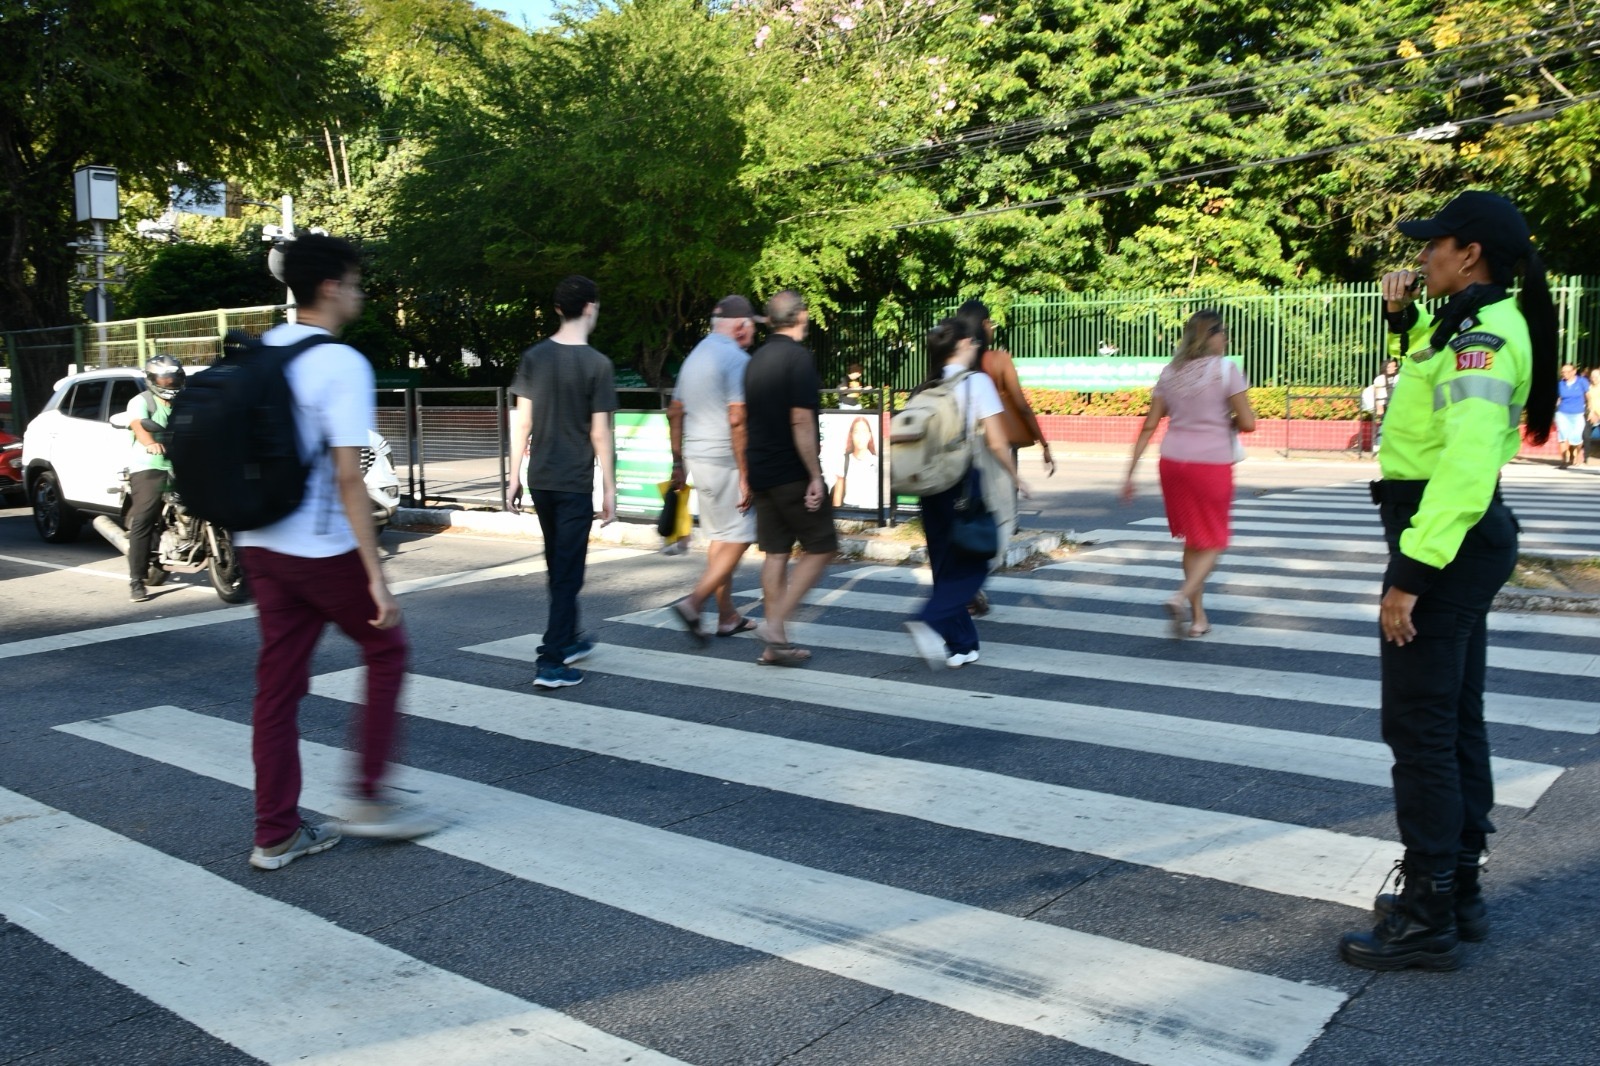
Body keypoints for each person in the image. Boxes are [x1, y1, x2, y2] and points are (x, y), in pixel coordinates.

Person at [1338, 190, 1557, 972]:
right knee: (1454, 717)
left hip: (1449, 539)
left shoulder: (1487, 337)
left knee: (1419, 726)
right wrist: (1401, 321)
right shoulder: (1468, 323)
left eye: (1434, 244)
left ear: (1469, 254)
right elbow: (1427, 386)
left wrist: (1411, 575)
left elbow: (1464, 466)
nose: (1419, 255)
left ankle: (1428, 911)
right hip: (1457, 536)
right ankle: (1455, 890)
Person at [237, 234, 445, 872]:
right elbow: (351, 477)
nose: (358, 292)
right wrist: (375, 575)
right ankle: (367, 797)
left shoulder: (261, 350)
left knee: (277, 688)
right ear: (330, 287)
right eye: (354, 282)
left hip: (259, 542)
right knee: (388, 648)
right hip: (320, 546)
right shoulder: (340, 363)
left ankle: (274, 832)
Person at [506, 274, 618, 688]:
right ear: (590, 307)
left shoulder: (535, 357)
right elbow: (600, 433)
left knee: (559, 566)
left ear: (558, 309)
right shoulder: (598, 365)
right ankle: (551, 661)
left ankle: (569, 639)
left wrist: (513, 476)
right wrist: (609, 487)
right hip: (572, 481)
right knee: (568, 573)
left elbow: (523, 423)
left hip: (541, 480)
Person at [1120, 310, 1255, 638]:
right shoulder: (1226, 370)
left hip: (1172, 463)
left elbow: (1150, 424)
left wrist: (1130, 473)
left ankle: (1198, 619)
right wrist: (1228, 421)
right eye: (1222, 332)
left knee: (1194, 541)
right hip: (1210, 464)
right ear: (1210, 335)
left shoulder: (1169, 372)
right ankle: (1181, 596)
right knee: (1214, 541)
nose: (1225, 339)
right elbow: (1249, 423)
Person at [903, 318, 1029, 669]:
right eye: (972, 341)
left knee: (945, 562)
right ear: (960, 346)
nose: (976, 345)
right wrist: (1017, 477)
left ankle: (962, 644)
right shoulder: (977, 383)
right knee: (978, 558)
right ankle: (928, 616)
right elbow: (998, 440)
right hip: (961, 482)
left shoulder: (926, 386)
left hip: (929, 485)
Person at [742, 289, 836, 665]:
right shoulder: (798, 358)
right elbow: (800, 419)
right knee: (822, 546)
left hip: (762, 469)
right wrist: (815, 475)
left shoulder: (756, 359)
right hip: (791, 471)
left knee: (776, 553)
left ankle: (775, 643)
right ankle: (775, 623)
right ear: (800, 315)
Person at [667, 295, 760, 641]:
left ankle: (727, 616)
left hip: (697, 458)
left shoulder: (695, 355)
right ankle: (694, 602)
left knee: (721, 538)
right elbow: (738, 419)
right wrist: (746, 474)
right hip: (726, 462)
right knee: (742, 537)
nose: (752, 334)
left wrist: (677, 462)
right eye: (751, 327)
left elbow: (674, 411)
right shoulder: (736, 358)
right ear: (740, 326)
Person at [954, 299, 1056, 614]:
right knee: (1003, 519)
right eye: (990, 323)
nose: (993, 328)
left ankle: (969, 587)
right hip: (994, 446)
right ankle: (969, 585)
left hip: (958, 447)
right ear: (983, 325)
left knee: (967, 516)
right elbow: (1022, 405)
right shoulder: (998, 360)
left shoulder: (952, 360)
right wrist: (1044, 443)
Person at [124, 354, 185, 603]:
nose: (169, 383)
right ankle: (136, 580)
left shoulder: (187, 401)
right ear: (152, 380)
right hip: (150, 465)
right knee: (144, 519)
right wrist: (151, 444)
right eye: (164, 378)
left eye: (174, 378)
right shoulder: (141, 401)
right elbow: (139, 426)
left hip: (183, 464)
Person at [829, 415, 880, 510]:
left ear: (869, 435)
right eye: (856, 432)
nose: (860, 436)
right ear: (851, 435)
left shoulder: (877, 462)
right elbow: (837, 495)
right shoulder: (844, 460)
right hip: (849, 511)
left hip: (872, 512)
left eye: (864, 432)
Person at [1554, 362, 1588, 468]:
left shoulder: (1582, 381)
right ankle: (1564, 461)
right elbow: (1558, 399)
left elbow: (1588, 396)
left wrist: (1590, 410)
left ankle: (1577, 456)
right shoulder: (1560, 384)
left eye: (1567, 372)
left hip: (1578, 414)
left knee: (1576, 437)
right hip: (1562, 413)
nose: (1565, 374)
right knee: (1563, 436)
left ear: (1574, 372)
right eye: (1563, 372)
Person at [1371, 357, 1400, 453]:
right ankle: (1378, 445)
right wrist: (1379, 407)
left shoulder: (1398, 377)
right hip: (1385, 404)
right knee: (1383, 424)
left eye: (1394, 367)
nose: (1392, 368)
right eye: (1390, 366)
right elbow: (1378, 393)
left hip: (1396, 404)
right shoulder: (1380, 379)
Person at [1585, 367, 1600, 463]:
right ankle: (1586, 456)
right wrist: (1591, 412)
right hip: (1591, 413)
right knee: (1585, 434)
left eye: (1597, 376)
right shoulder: (1588, 388)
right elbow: (1588, 402)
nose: (1594, 378)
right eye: (1592, 376)